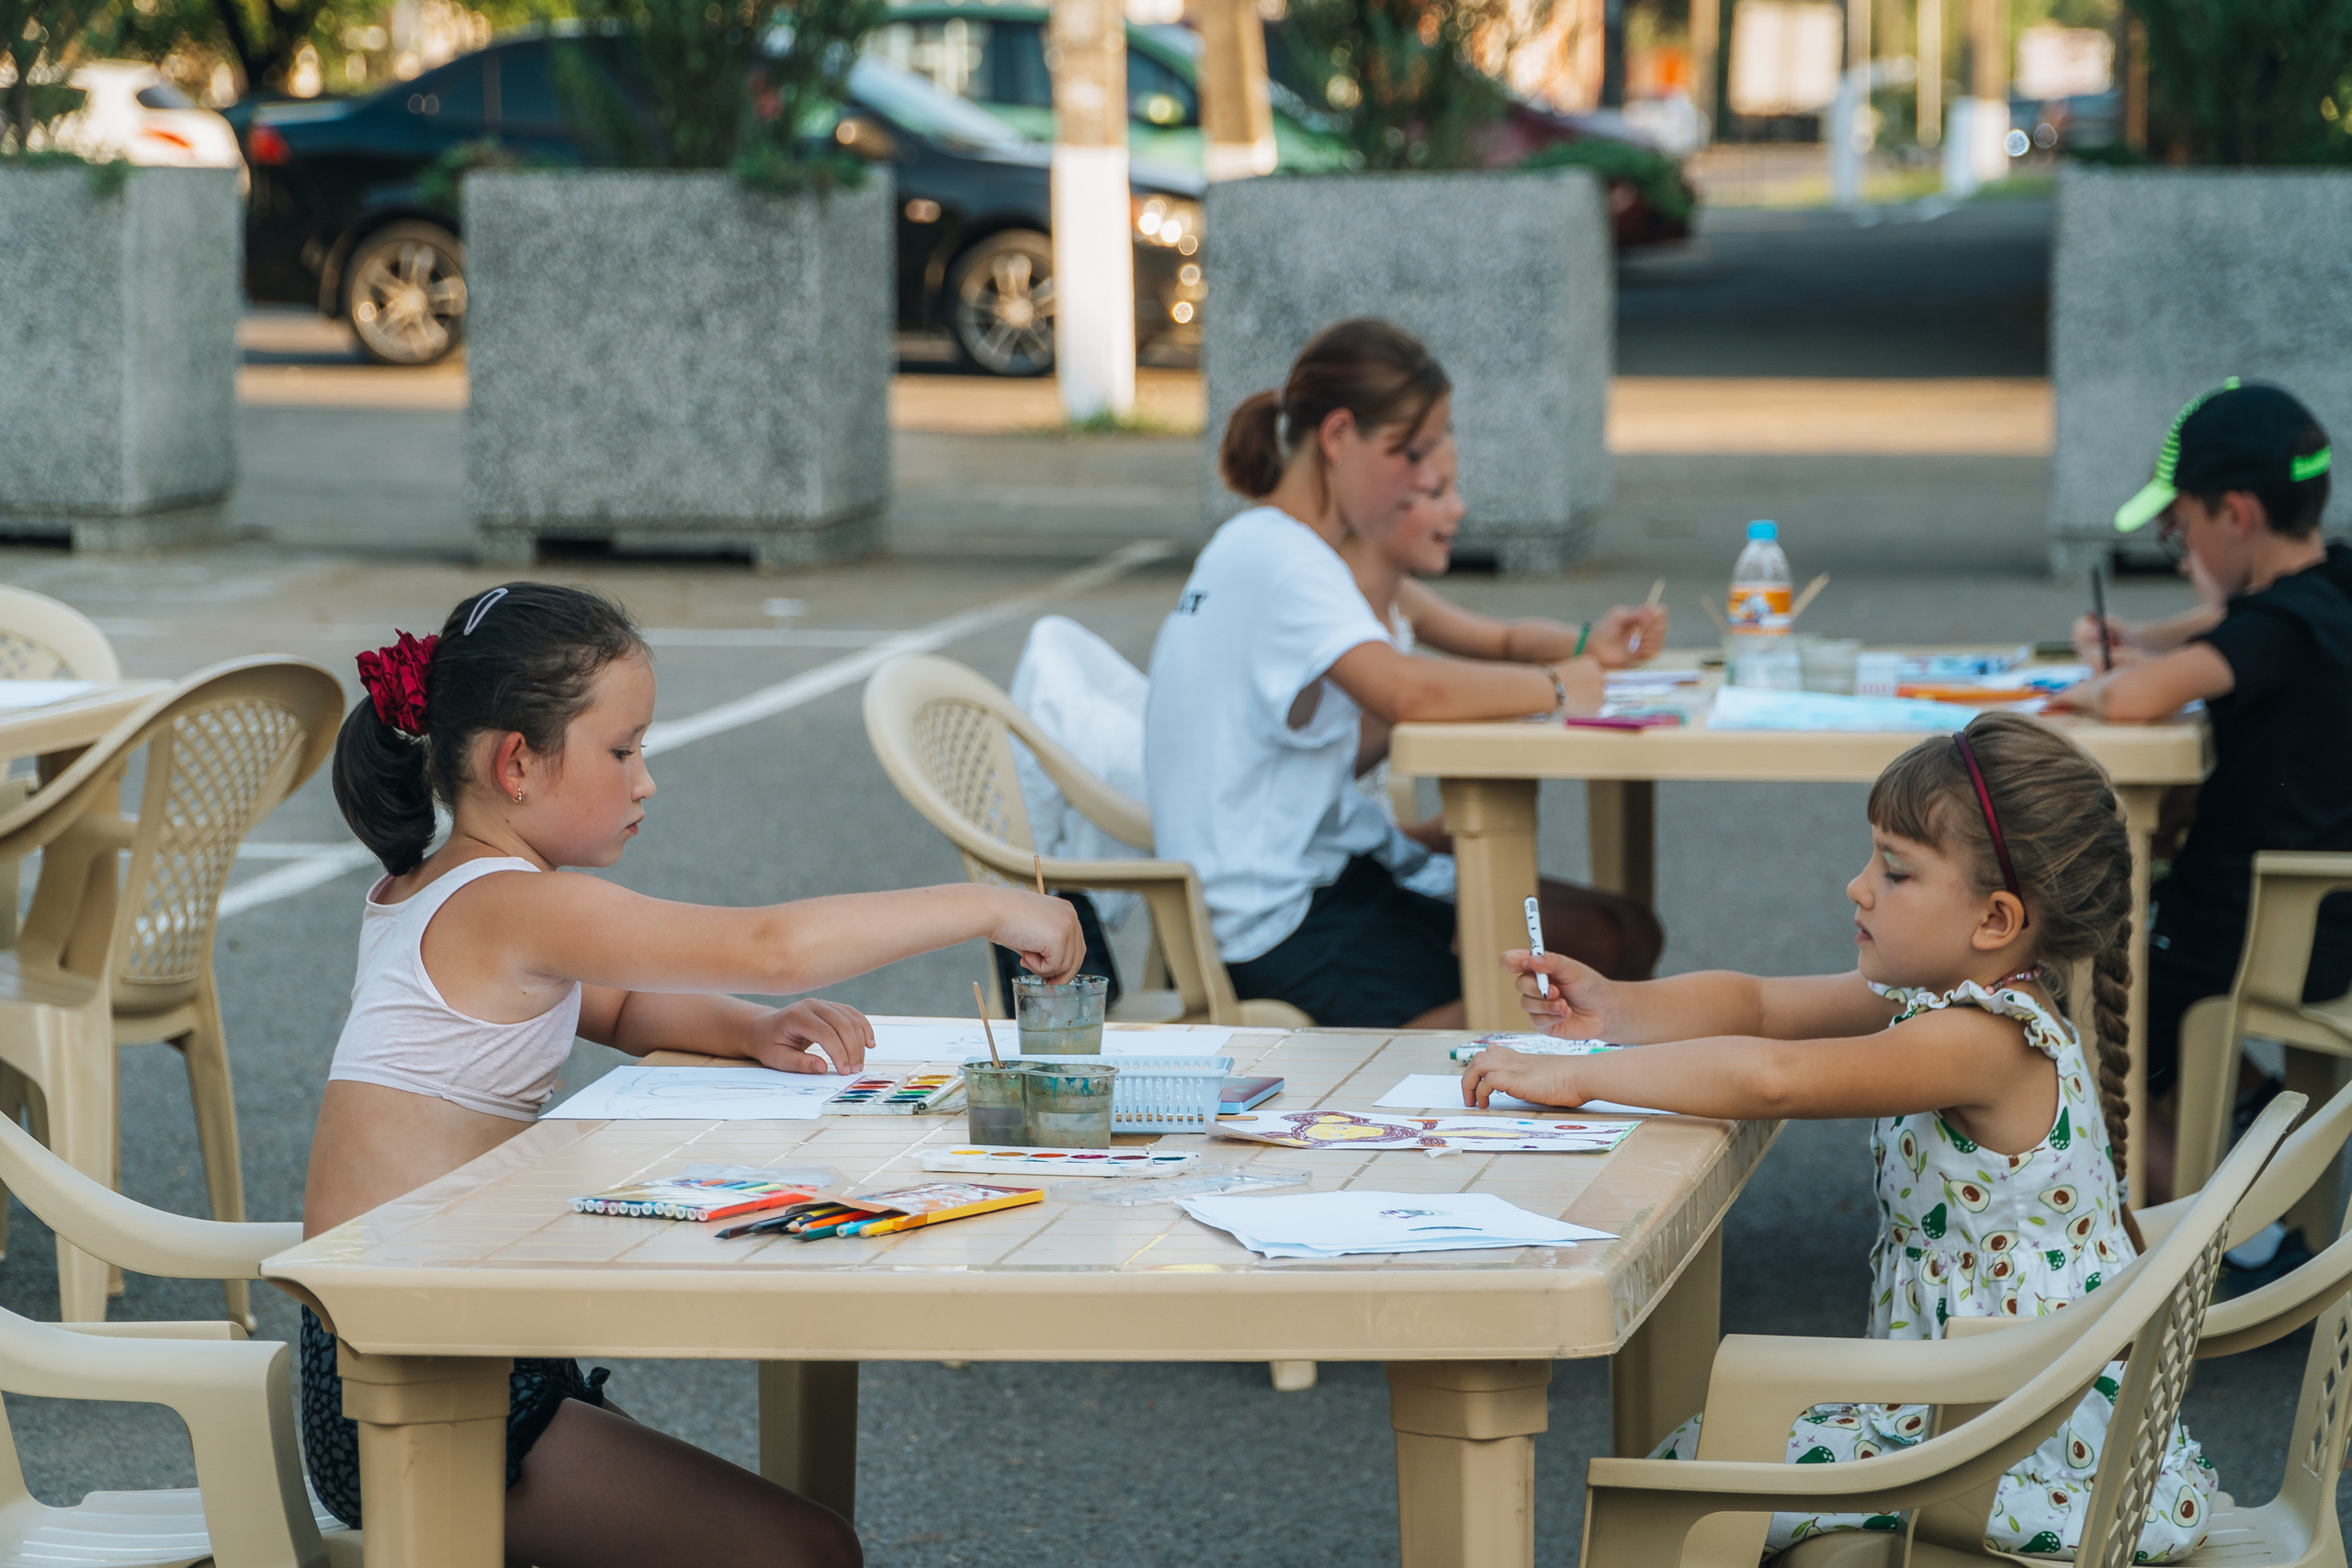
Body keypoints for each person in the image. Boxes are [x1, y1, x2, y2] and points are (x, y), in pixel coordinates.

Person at [303, 582, 1082, 1568]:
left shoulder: (440, 890)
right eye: (622, 750)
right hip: (410, 1396)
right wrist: (987, 906)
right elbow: (770, 947)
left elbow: (622, 1004)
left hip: (429, 1353)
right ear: (517, 763)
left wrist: (750, 1029)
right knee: (806, 1551)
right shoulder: (508, 904)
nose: (646, 781)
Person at [1469, 713, 2216, 1562]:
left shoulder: (1981, 1039)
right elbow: (1759, 1005)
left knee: (1682, 1487)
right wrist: (1615, 1007)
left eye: (1895, 871)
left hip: (2006, 1448)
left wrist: (1582, 1077)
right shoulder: (1951, 994)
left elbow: (1773, 1076)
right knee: (1690, 1461)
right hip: (1980, 1410)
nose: (1858, 886)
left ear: (1997, 918)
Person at [1145, 318, 1667, 1030]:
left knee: (1600, 947)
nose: (1425, 479)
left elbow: (1385, 703)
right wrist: (1557, 686)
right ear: (1338, 436)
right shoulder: (1287, 560)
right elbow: (1407, 689)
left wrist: (1568, 658)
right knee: (1561, 987)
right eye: (1409, 453)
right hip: (1276, 924)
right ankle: (1394, 1069)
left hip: (1294, 889)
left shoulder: (1260, 545)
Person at [2047, 380, 2352, 1205]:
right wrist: (2140, 638)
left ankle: (2210, 1232)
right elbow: (2228, 623)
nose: (2181, 552)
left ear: (2236, 515)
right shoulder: (2331, 589)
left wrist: (2091, 685)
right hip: (2317, 920)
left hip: (2244, 932)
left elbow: (2136, 699)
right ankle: (2250, 1113)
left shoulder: (2279, 630)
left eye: (2180, 528)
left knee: (2074, 1021)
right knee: (2139, 1001)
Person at [1335, 428, 1670, 938]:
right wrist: (1546, 687)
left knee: (1630, 925)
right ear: (1375, 501)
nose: (1460, 509)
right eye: (1436, 492)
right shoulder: (1330, 612)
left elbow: (1502, 639)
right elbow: (1385, 719)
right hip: (1337, 875)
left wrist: (1589, 643)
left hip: (1375, 845)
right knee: (1614, 932)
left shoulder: (1397, 595)